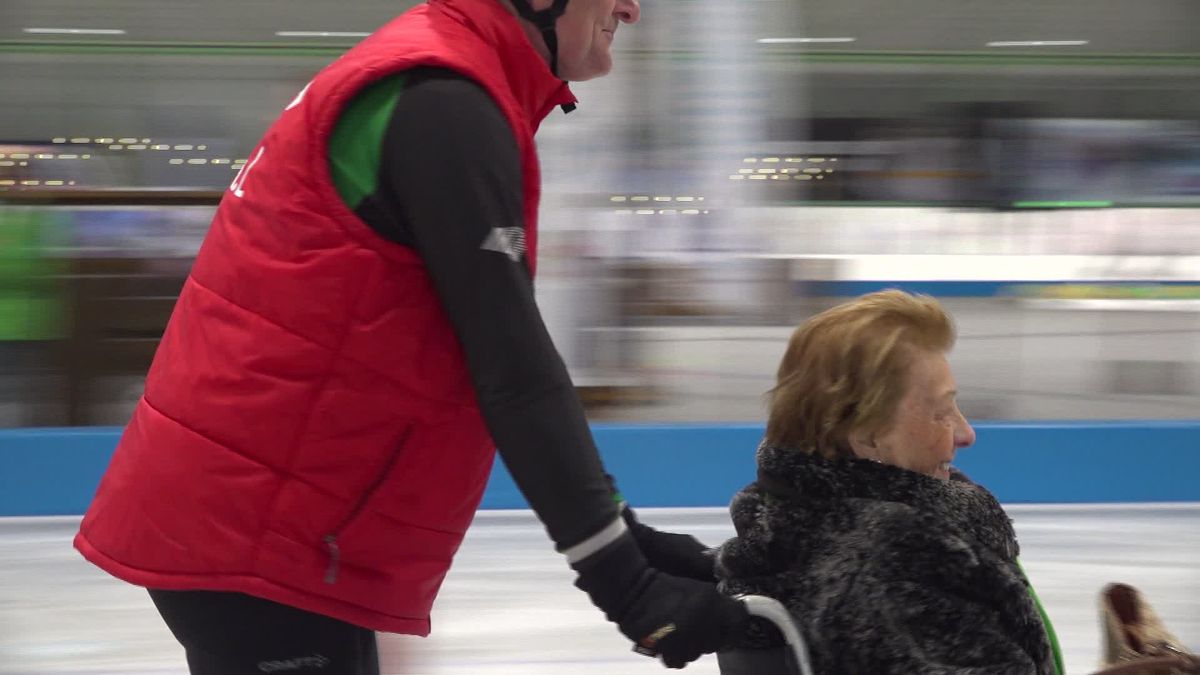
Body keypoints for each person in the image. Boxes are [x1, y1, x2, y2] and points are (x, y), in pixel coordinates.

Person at [72, 0, 748, 673]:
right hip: (264, 533)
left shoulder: (438, 78)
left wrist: (624, 534)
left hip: (271, 520)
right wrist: (620, 576)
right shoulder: (442, 99)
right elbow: (512, 366)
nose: (631, 10)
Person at [715, 290, 1065, 675]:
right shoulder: (898, 560)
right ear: (867, 435)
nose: (966, 434)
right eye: (941, 412)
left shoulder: (789, 528)